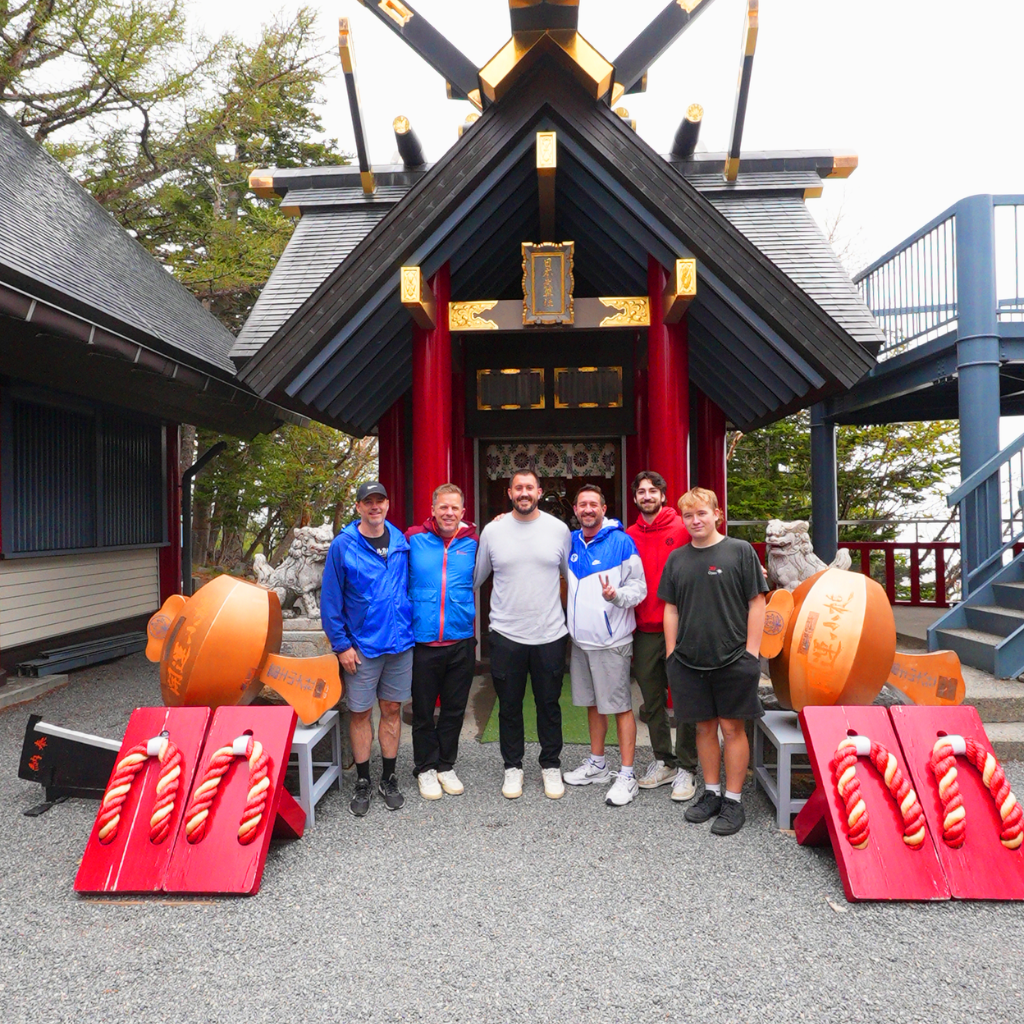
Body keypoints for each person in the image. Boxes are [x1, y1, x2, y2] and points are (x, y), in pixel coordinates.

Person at [658, 487, 767, 836]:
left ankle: (734, 800)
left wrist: (752, 652)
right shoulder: (677, 559)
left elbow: (757, 603)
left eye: (701, 513)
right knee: (703, 728)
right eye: (688, 516)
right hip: (689, 660)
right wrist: (672, 652)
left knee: (733, 728)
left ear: (717, 514)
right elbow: (670, 608)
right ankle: (712, 793)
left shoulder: (740, 552)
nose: (695, 521)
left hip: (734, 656)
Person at [474, 468, 571, 801]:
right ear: (509, 492)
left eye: (530, 487)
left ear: (539, 492)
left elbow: (570, 579)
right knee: (509, 705)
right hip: (506, 634)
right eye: (518, 487)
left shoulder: (559, 530)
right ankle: (512, 766)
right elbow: (476, 578)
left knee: (549, 704)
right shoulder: (493, 531)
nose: (524, 492)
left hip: (549, 634)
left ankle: (550, 765)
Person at [321, 481, 414, 817]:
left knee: (391, 709)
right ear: (358, 507)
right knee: (360, 712)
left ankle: (388, 776)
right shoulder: (343, 546)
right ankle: (363, 778)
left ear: (387, 504)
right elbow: (330, 600)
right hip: (361, 646)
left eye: (380, 501)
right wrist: (341, 645)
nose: (375, 507)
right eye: (368, 502)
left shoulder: (402, 541)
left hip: (400, 642)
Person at [562, 485, 647, 806]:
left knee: (620, 706)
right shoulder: (569, 540)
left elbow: (639, 588)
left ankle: (627, 774)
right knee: (593, 704)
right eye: (582, 504)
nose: (587, 509)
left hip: (612, 641)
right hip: (580, 642)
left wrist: (616, 596)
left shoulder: (622, 542)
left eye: (593, 504)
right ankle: (597, 763)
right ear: (575, 508)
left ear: (603, 508)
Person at [626, 471, 699, 802]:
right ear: (635, 498)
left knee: (684, 698)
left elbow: (715, 550)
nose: (647, 496)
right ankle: (663, 760)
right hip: (644, 628)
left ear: (663, 495)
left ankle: (687, 765)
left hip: (683, 626)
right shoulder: (628, 536)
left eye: (653, 490)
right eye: (641, 491)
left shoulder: (683, 528)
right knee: (651, 700)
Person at [405, 484, 478, 800]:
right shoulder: (412, 540)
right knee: (423, 711)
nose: (449, 513)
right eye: (443, 507)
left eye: (455, 508)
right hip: (422, 642)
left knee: (453, 709)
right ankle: (425, 768)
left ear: (463, 512)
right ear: (433, 509)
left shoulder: (474, 543)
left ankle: (446, 764)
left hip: (461, 640)